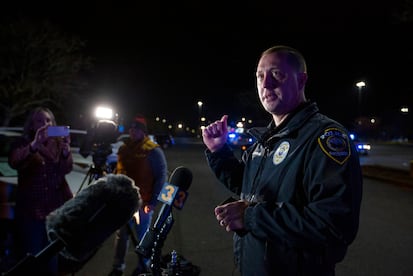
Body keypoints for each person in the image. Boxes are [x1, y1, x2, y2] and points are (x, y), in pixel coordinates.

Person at [202, 45, 363, 276]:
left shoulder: (324, 138)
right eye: (260, 76)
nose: (265, 84)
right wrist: (219, 152)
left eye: (276, 73)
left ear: (301, 80)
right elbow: (248, 187)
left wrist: (250, 217)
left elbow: (333, 225)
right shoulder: (265, 140)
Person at [8, 107, 73, 275]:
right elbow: (14, 161)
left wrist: (66, 152)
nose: (44, 124)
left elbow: (65, 170)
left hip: (53, 211)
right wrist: (34, 145)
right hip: (31, 212)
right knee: (32, 257)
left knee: (52, 258)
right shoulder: (22, 144)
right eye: (39, 121)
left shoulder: (57, 145)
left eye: (48, 121)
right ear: (31, 125)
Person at [109, 114, 168, 276]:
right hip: (124, 203)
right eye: (131, 128)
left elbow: (162, 178)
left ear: (143, 131)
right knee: (122, 236)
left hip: (144, 204)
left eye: (136, 129)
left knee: (143, 237)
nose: (132, 131)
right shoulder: (124, 149)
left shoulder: (153, 150)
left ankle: (144, 266)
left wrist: (154, 202)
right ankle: (117, 267)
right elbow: (118, 172)